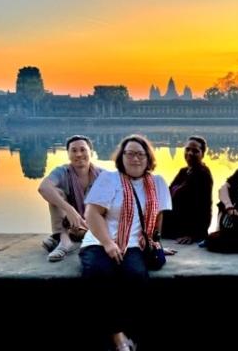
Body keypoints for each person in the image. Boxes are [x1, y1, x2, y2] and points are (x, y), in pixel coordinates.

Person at [79, 135, 172, 351]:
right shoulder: (109, 179)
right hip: (100, 240)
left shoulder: (157, 182)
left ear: (148, 158)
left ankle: (129, 330)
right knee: (99, 273)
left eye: (140, 154)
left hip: (133, 244)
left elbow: (157, 217)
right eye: (130, 153)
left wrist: (155, 243)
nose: (135, 159)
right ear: (122, 157)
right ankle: (117, 336)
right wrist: (108, 243)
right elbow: (92, 214)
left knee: (136, 276)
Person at [38, 135, 103, 262]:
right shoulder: (62, 171)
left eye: (83, 150)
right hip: (68, 222)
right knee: (55, 193)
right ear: (68, 154)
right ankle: (64, 240)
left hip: (93, 226)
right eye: (74, 150)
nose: (78, 154)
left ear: (91, 152)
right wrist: (69, 209)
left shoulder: (102, 175)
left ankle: (58, 239)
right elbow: (43, 188)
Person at [163, 136, 213, 244]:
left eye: (195, 151)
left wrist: (193, 235)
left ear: (202, 154)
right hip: (172, 222)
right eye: (187, 149)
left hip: (186, 229)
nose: (190, 153)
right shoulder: (184, 171)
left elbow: (205, 207)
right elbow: (167, 194)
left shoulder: (203, 174)